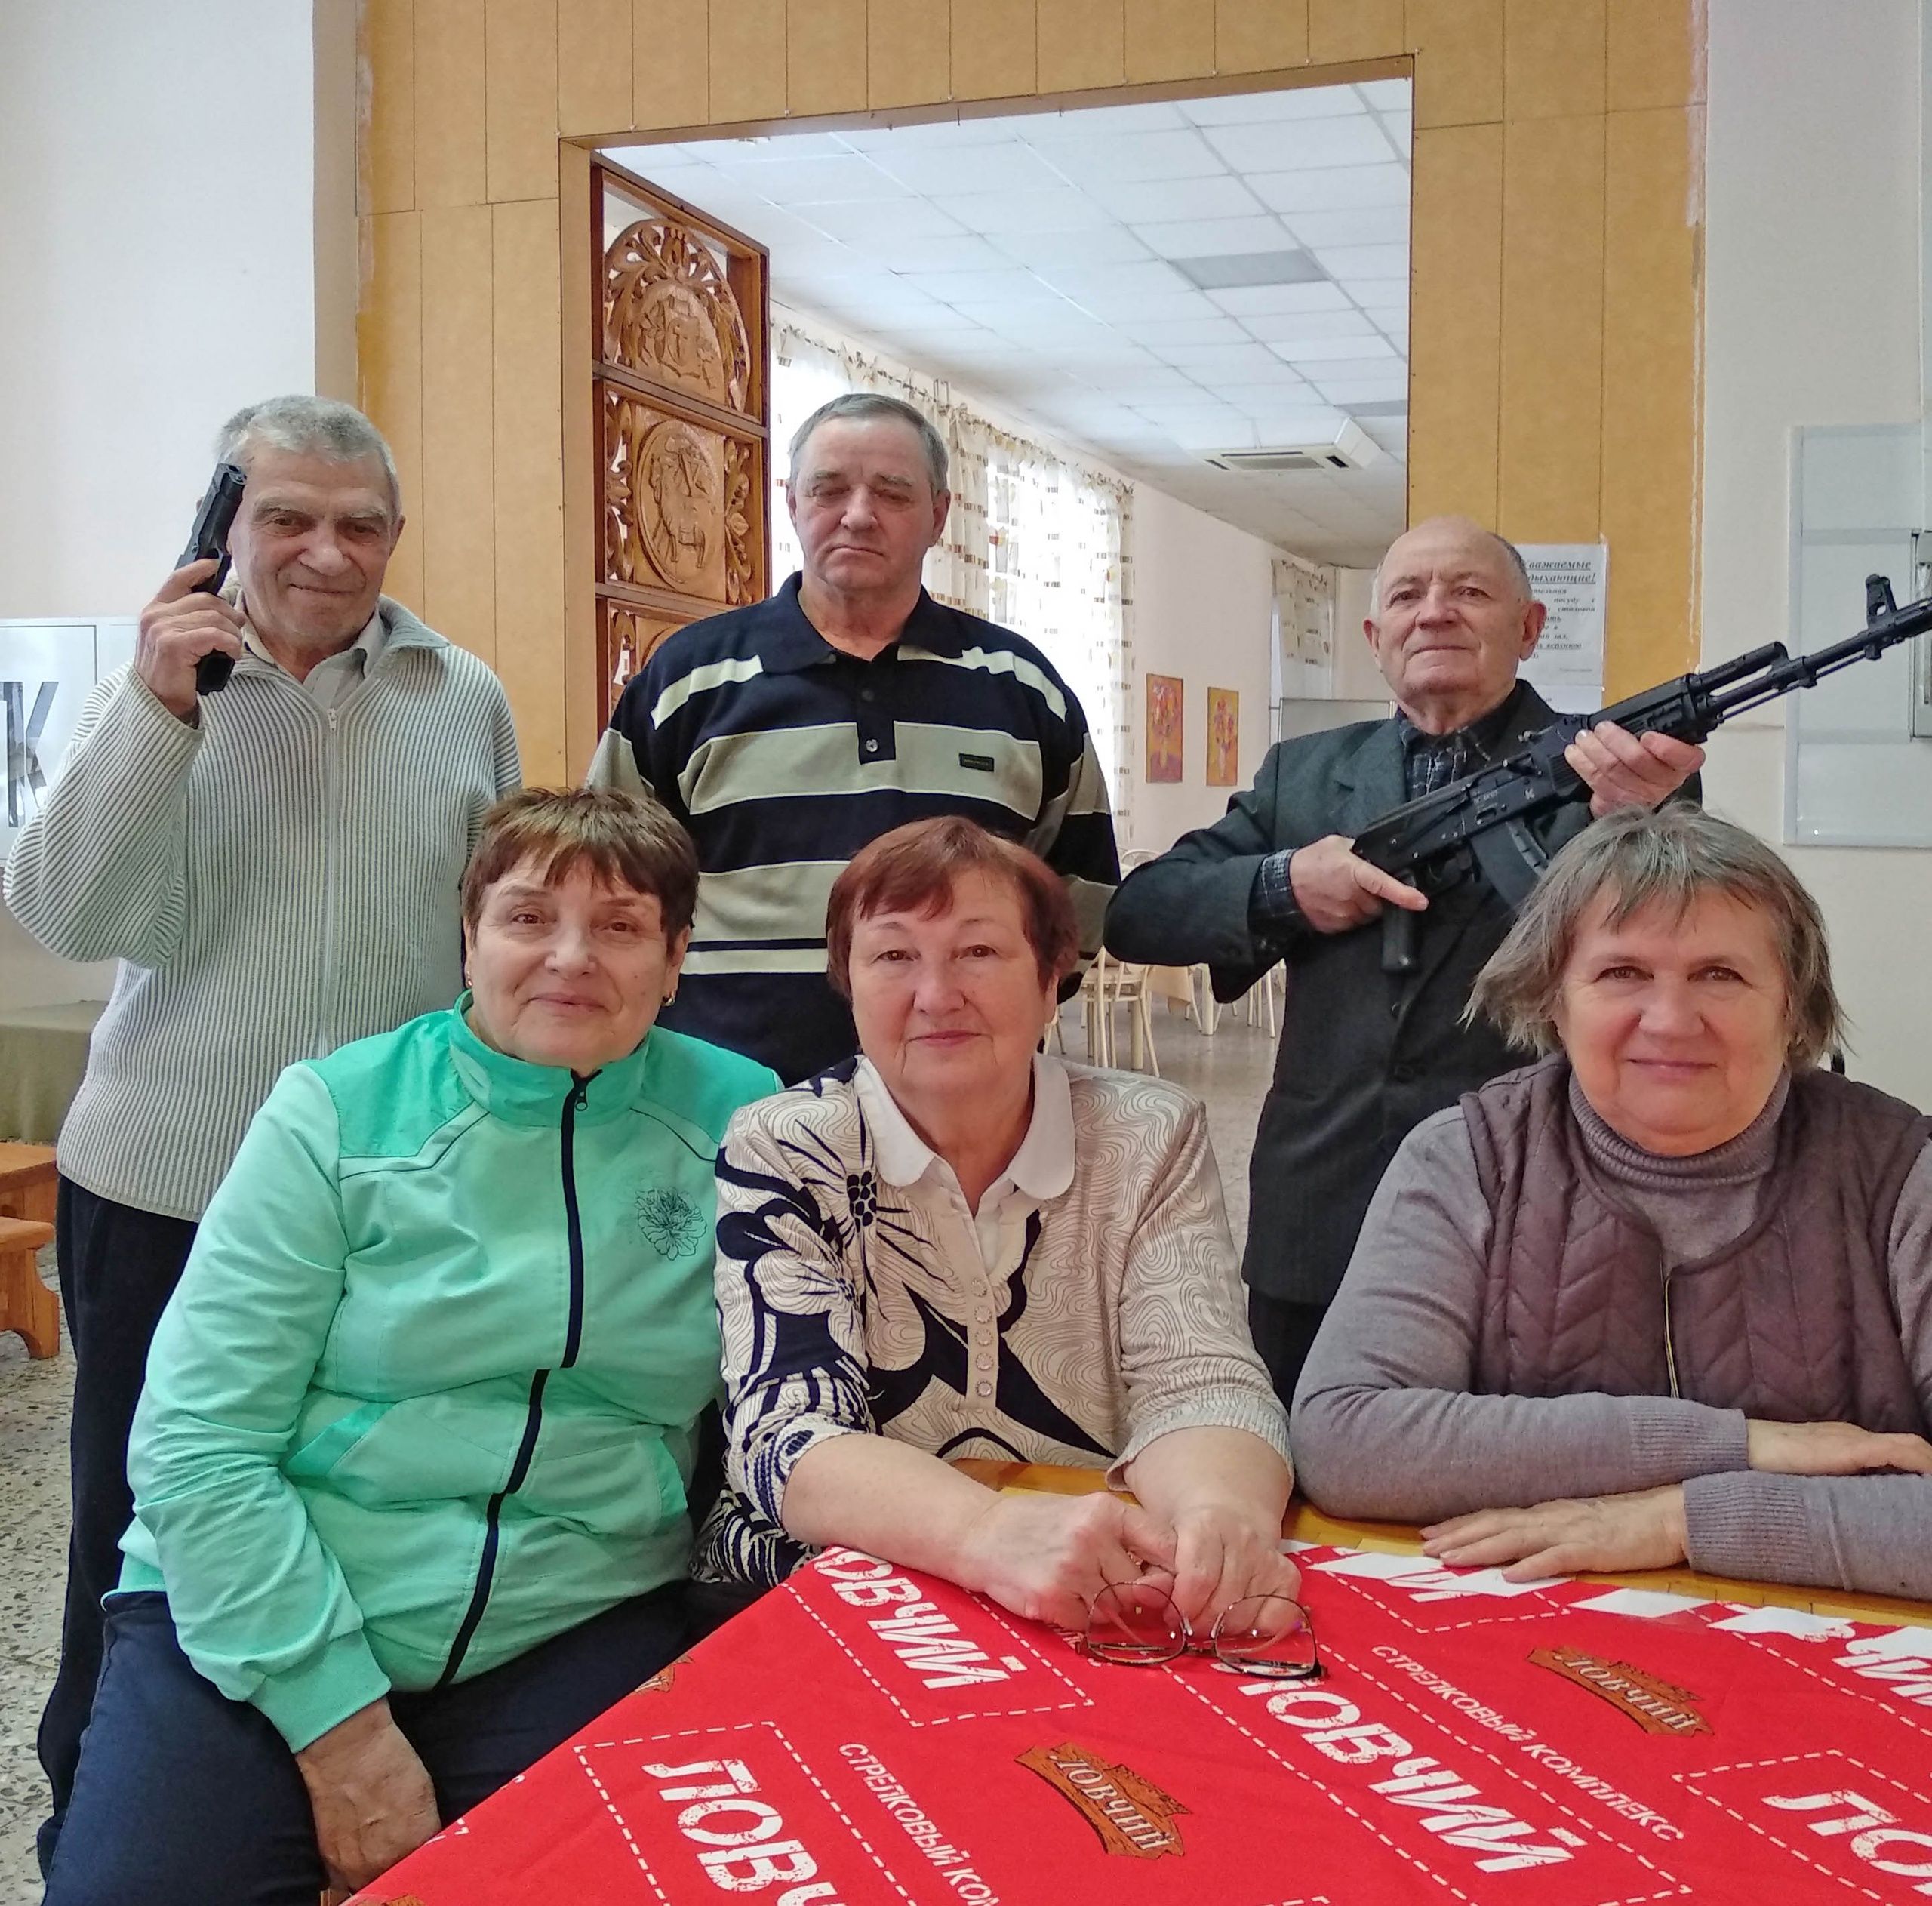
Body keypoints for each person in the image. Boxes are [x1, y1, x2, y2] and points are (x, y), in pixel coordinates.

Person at [42, 788, 780, 1904]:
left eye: (621, 926)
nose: (570, 958)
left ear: (677, 960)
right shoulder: (336, 1111)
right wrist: (341, 1734)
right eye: (527, 918)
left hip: (574, 1616)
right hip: (266, 1611)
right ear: (470, 938)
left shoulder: (741, 1116)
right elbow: (198, 1443)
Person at [2, 393, 521, 1868]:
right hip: (169, 1184)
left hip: (392, 1192)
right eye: (287, 517)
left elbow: (486, 939)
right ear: (224, 527)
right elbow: (70, 913)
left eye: (361, 524)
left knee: (364, 1491)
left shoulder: (460, 693)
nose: (326, 552)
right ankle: (97, 1804)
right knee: (139, 1518)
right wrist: (158, 711)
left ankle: (331, 1781)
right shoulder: (156, 689)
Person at [1103, 516, 1703, 1399]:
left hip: (1538, 1201)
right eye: (1407, 595)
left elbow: (1683, 955)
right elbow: (1139, 913)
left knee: (1516, 1458)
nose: (1434, 612)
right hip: (1322, 1204)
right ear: (1374, 636)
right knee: (1297, 1452)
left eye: (1469, 591)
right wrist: (1285, 885)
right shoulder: (1303, 773)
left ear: (1529, 627)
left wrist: (1630, 829)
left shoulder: (1617, 768)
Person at [1291, 805, 1932, 1602]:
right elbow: (1347, 1436)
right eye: (1622, 972)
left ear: (1794, 1006)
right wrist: (1738, 1444)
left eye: (1720, 974)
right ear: (1552, 999)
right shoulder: (1466, 1156)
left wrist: (1683, 1520)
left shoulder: (1903, 1174)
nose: (1670, 1020)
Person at [697, 817, 1296, 1637]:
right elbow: (787, 1430)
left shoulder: (1149, 1133)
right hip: (827, 1587)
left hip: (1088, 1585)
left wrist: (1214, 1520)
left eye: (978, 951)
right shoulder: (787, 1143)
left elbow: (1200, 1377)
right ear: (847, 983)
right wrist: (986, 1533)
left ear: (1052, 980)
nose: (936, 994)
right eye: (893, 956)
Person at [589, 390, 1120, 1085]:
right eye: (829, 489)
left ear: (939, 516)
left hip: (962, 1104)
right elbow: (607, 881)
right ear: (791, 503)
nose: (859, 514)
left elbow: (1078, 900)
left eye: (892, 493)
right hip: (725, 1097)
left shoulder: (1022, 689)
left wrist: (989, 1016)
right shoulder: (686, 682)